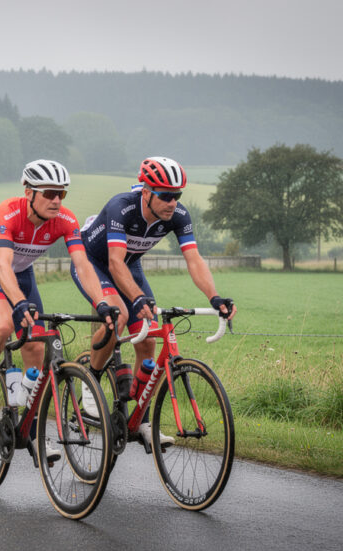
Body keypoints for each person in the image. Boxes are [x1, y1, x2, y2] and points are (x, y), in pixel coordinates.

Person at [74, 156, 236, 447]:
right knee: (119, 316)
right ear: (147, 192)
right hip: (92, 262)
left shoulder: (178, 215)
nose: (172, 203)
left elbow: (194, 260)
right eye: (165, 196)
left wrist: (214, 297)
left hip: (129, 264)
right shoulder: (120, 207)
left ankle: (141, 420)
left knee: (148, 341)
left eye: (177, 196)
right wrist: (135, 298)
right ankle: (91, 381)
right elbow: (113, 262)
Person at [0, 160, 114, 420]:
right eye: (49, 193)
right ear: (29, 193)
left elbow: (83, 265)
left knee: (35, 346)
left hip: (22, 274)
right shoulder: (8, 212)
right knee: (2, 325)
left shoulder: (66, 220)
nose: (56, 200)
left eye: (61, 193)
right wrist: (19, 303)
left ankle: (28, 419)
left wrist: (101, 302)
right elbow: (2, 266)